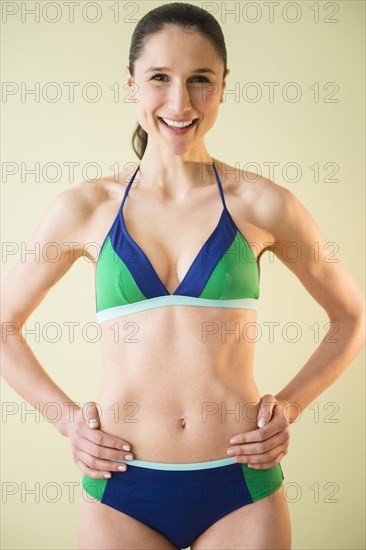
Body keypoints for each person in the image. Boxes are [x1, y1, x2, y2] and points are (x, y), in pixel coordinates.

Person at [1, 3, 365, 549]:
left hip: (241, 486)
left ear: (222, 86)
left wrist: (290, 405)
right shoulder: (86, 209)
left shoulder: (262, 203)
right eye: (159, 79)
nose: (179, 102)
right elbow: (4, 324)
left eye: (200, 80)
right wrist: (66, 420)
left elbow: (350, 315)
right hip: (120, 490)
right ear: (131, 86)